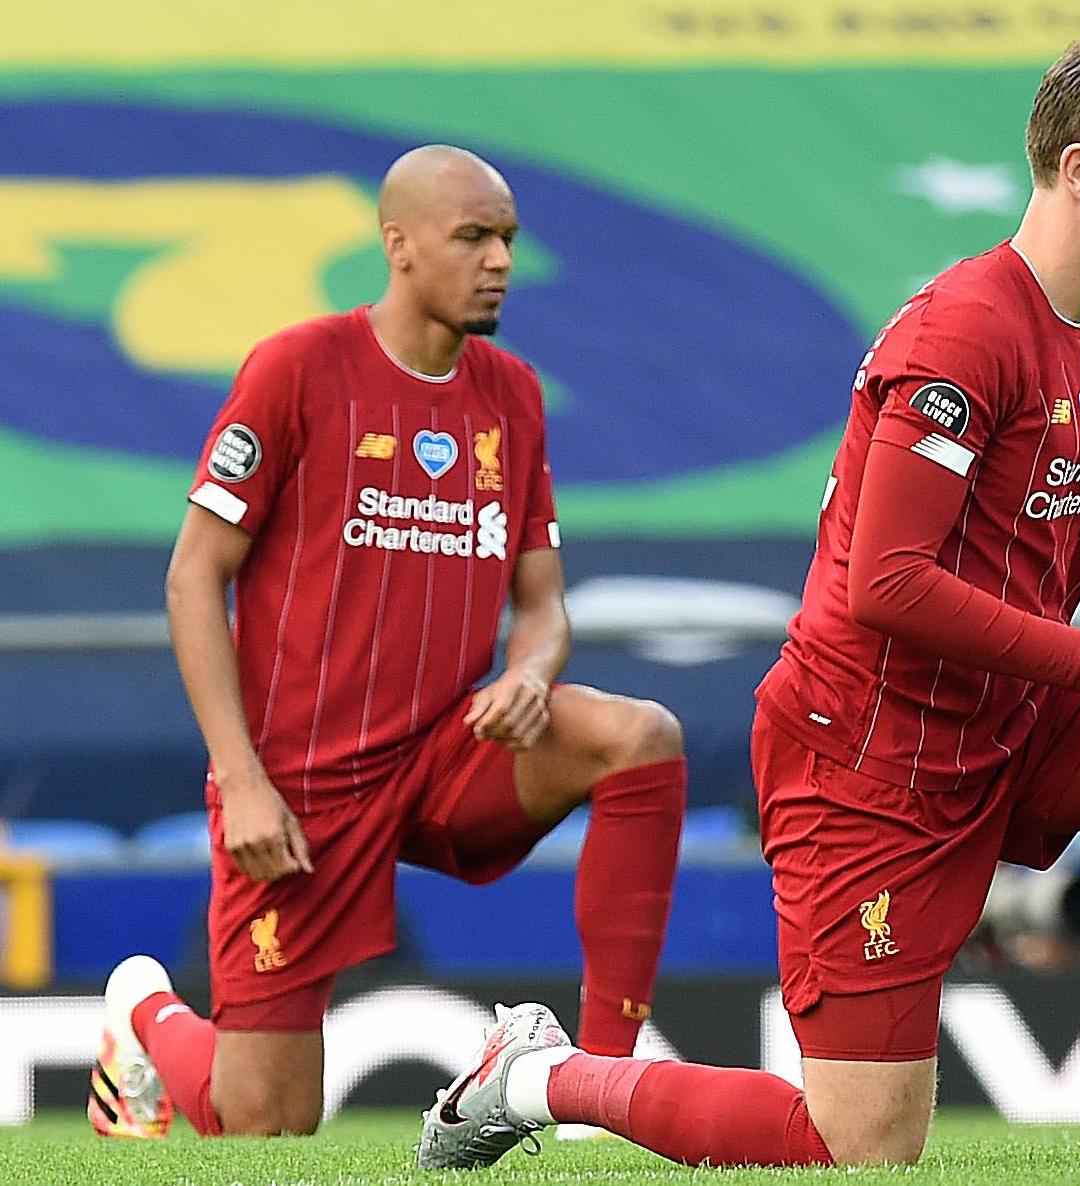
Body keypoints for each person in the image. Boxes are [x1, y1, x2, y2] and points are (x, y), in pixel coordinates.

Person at [416, 42, 1080, 1167]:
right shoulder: (964, 328)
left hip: (1020, 724)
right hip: (872, 763)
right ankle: (536, 1075)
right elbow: (887, 583)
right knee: (858, 1148)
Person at [87, 145, 688, 1140]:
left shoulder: (514, 396)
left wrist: (531, 671)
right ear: (398, 245)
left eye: (507, 239)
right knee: (264, 1125)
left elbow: (542, 606)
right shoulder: (298, 370)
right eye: (474, 237)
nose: (499, 259)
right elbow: (194, 575)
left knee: (642, 736)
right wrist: (240, 777)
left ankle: (593, 1088)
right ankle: (142, 1009)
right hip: (300, 789)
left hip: (451, 752)